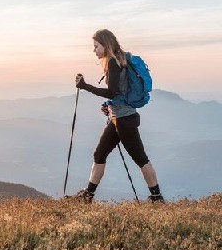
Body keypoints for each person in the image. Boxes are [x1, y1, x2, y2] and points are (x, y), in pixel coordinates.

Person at [68, 29, 164, 203]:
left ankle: (157, 198)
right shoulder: (120, 59)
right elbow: (121, 91)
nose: (94, 50)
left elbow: (112, 92)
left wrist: (85, 86)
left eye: (96, 46)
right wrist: (109, 106)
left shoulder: (113, 62)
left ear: (105, 45)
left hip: (124, 120)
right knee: (99, 154)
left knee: (140, 158)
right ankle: (87, 196)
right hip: (119, 118)